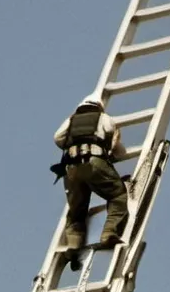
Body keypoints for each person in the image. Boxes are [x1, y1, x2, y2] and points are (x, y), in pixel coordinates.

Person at [52, 96, 129, 268]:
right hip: (94, 164)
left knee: (76, 212)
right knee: (117, 195)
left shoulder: (70, 121)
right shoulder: (104, 118)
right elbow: (118, 148)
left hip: (71, 169)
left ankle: (73, 244)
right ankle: (109, 233)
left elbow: (58, 138)